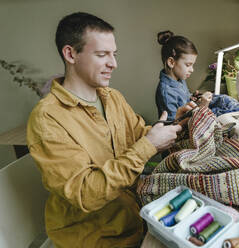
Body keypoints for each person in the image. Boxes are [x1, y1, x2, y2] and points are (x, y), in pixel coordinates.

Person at [26, 12, 194, 248]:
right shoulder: (47, 119)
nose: (113, 63)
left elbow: (138, 135)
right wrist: (148, 146)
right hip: (96, 238)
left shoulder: (111, 97)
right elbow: (86, 193)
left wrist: (173, 123)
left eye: (114, 54)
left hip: (134, 217)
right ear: (70, 53)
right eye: (102, 54)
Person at [155, 30, 239, 122]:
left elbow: (184, 100)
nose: (192, 70)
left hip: (194, 112)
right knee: (230, 110)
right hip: (187, 126)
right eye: (188, 65)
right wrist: (202, 107)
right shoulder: (166, 93)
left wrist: (193, 97)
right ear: (171, 62)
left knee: (226, 101)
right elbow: (174, 127)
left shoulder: (178, 79)